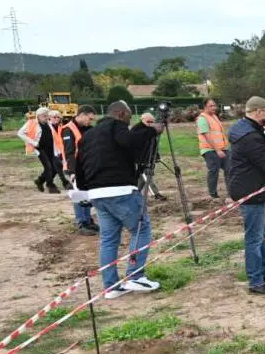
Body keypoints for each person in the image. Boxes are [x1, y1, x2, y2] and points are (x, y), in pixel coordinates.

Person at [76, 100, 161, 299]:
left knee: (109, 239)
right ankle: (135, 275)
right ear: (121, 114)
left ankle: (111, 286)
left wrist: (84, 189)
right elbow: (129, 141)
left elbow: (79, 165)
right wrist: (151, 131)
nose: (128, 123)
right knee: (141, 228)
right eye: (129, 118)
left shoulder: (88, 136)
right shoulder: (116, 126)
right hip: (119, 189)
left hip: (97, 194)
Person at [226, 96, 265, 295]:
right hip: (250, 189)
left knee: (260, 235)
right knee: (254, 237)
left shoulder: (244, 128)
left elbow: (260, 156)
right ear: (259, 112)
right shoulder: (250, 136)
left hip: (247, 185)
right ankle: (256, 281)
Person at [59, 105, 99, 236]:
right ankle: (81, 223)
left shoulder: (87, 128)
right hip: (74, 168)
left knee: (86, 195)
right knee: (78, 196)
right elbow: (69, 152)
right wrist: (72, 171)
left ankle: (88, 220)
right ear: (82, 114)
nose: (90, 121)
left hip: (85, 168)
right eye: (89, 118)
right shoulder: (68, 130)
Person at [18, 109, 59, 193]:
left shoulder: (49, 124)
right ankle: (50, 185)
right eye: (45, 116)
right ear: (39, 116)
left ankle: (39, 181)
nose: (47, 117)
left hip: (51, 148)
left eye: (47, 116)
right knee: (48, 167)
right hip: (40, 149)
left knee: (55, 168)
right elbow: (20, 133)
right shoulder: (32, 123)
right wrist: (33, 142)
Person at [196, 98, 228, 198]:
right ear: (205, 107)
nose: (214, 107)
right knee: (214, 171)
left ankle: (232, 192)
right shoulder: (202, 119)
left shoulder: (214, 117)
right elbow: (207, 136)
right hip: (210, 150)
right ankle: (213, 194)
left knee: (230, 169)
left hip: (222, 148)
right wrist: (217, 150)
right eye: (211, 106)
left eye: (214, 105)